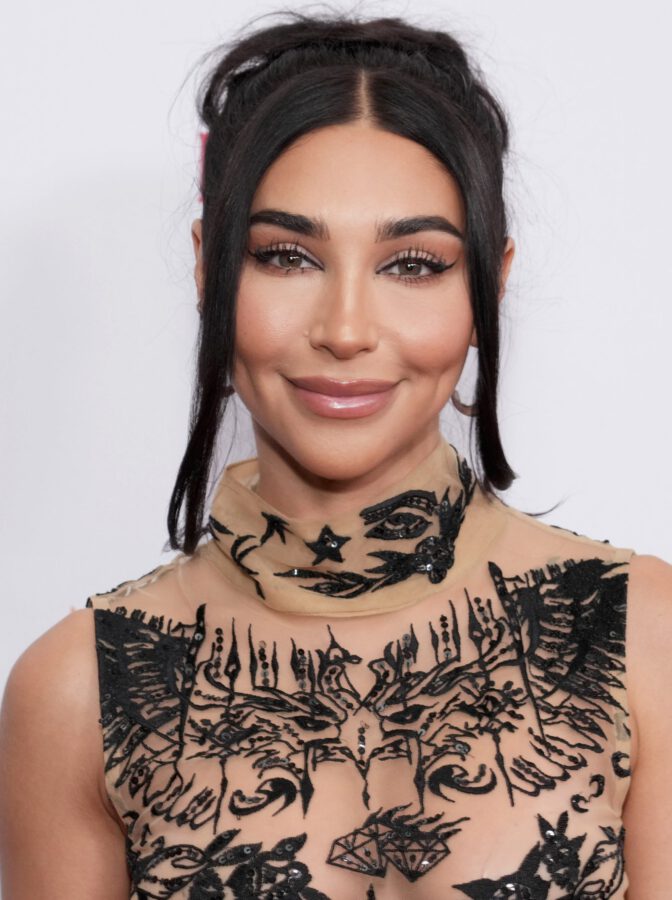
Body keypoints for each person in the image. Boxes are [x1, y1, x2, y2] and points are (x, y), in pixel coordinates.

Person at [1, 11, 670, 899]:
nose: (346, 329)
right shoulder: (78, 690)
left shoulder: (641, 637)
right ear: (208, 270)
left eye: (413, 265)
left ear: (489, 285)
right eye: (287, 257)